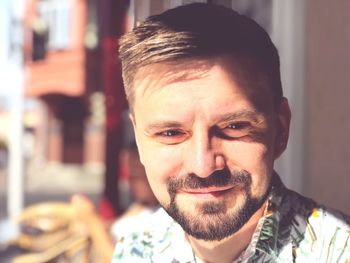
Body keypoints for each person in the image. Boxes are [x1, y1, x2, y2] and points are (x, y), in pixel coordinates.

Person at [112, 3, 350, 263]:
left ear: (280, 129)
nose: (203, 166)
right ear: (139, 139)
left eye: (235, 127)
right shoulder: (136, 248)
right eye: (170, 133)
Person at [110, 143, 159, 243]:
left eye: (137, 174)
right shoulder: (142, 206)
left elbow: (117, 257)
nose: (129, 180)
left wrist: (91, 221)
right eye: (128, 174)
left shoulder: (163, 218)